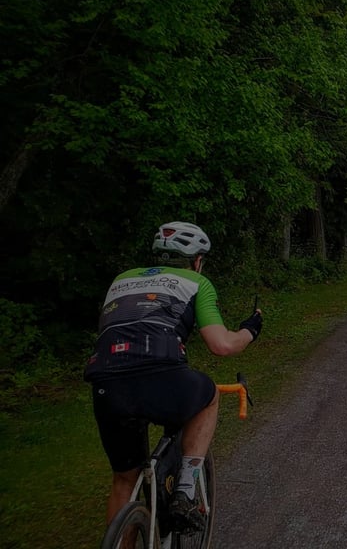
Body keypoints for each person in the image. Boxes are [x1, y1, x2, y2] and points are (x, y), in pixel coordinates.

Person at [85, 221, 262, 530]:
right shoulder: (196, 282)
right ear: (197, 260)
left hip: (106, 382)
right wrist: (250, 330)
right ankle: (185, 492)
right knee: (208, 395)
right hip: (160, 374)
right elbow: (221, 345)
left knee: (124, 481)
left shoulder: (121, 280)